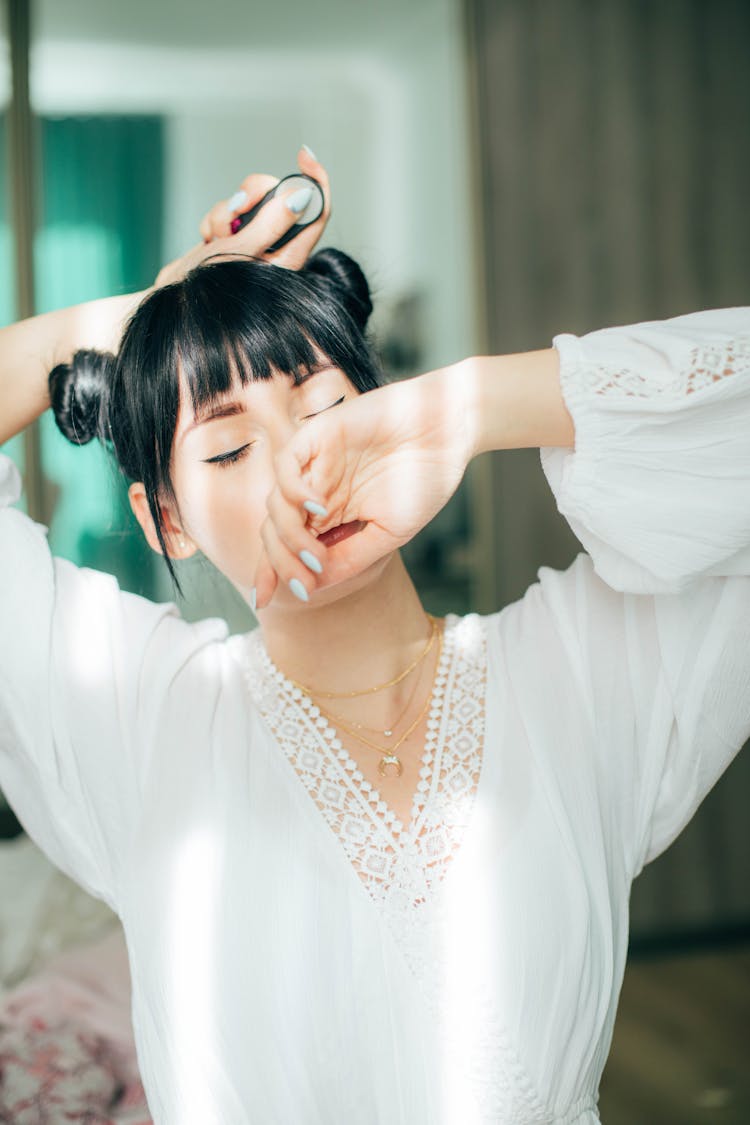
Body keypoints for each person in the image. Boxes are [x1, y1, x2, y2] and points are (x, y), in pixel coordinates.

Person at [1, 144, 748, 1124]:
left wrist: (476, 403)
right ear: (165, 522)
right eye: (228, 447)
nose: (305, 466)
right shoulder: (135, 718)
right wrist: (159, 306)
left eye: (329, 412)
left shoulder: (579, 670)